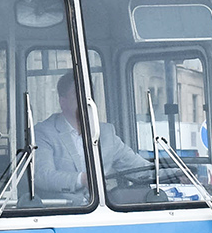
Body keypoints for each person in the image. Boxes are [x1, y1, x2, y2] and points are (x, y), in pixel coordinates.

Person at [35, 71, 152, 201]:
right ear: (63, 102)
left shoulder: (106, 133)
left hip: (105, 209)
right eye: (78, 95)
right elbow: (43, 176)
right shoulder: (44, 132)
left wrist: (174, 173)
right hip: (64, 212)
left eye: (89, 95)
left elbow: (139, 168)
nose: (86, 100)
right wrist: (82, 179)